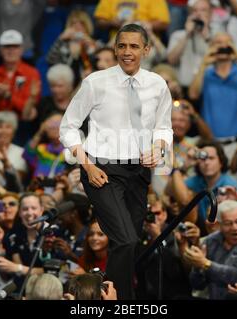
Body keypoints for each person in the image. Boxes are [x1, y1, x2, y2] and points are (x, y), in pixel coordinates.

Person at [59, 24, 173, 299]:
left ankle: (100, 293)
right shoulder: (95, 82)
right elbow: (68, 127)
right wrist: (87, 165)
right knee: (126, 240)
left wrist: (158, 148)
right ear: (114, 48)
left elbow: (164, 128)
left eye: (134, 46)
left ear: (146, 50)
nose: (127, 52)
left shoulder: (157, 84)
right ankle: (121, 302)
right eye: (121, 46)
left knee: (127, 245)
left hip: (139, 173)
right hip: (101, 169)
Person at [188, 32, 237, 149]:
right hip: (210, 143)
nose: (223, 47)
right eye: (218, 43)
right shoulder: (205, 73)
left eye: (227, 43)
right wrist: (203, 64)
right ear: (211, 47)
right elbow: (193, 95)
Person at [186, 200, 237, 299]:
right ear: (219, 224)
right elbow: (197, 284)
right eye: (228, 223)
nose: (235, 227)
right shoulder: (210, 242)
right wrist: (197, 267)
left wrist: (206, 264)